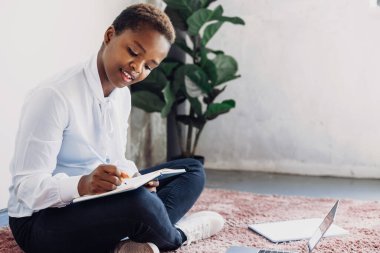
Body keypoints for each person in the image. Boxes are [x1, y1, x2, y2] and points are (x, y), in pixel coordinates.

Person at [7, 3, 224, 253]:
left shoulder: (121, 95)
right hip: (40, 222)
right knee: (139, 204)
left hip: (96, 201)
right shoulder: (54, 96)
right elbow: (26, 190)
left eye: (149, 66)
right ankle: (178, 236)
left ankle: (132, 242)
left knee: (192, 170)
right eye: (133, 51)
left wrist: (134, 180)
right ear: (110, 35)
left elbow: (116, 159)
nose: (137, 68)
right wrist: (82, 184)